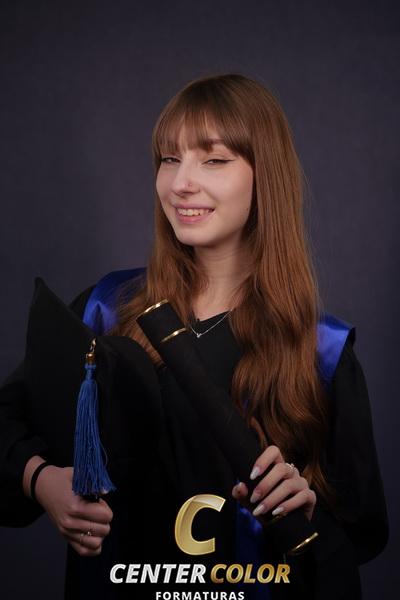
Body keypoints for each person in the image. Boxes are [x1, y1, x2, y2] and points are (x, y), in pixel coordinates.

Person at [0, 73, 388, 599]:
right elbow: (6, 420)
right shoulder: (106, 309)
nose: (180, 183)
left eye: (214, 160)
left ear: (265, 176)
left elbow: (359, 532)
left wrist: (306, 504)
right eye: (169, 159)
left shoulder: (322, 349)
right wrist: (40, 479)